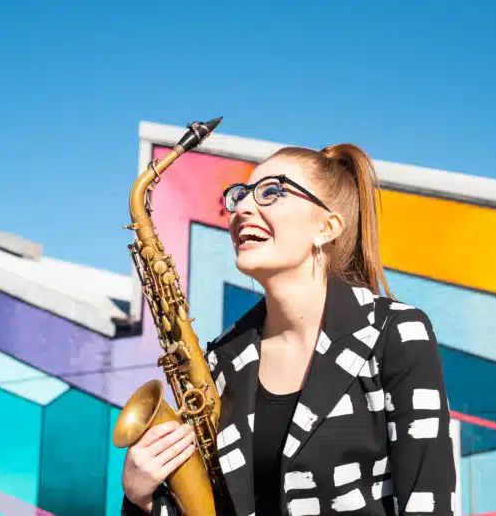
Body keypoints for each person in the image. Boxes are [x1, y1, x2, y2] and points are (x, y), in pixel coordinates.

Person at [121, 144, 457, 515]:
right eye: (240, 195)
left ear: (327, 227)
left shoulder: (396, 333)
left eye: (271, 192)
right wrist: (143, 499)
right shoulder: (219, 361)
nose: (243, 209)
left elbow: (428, 502)